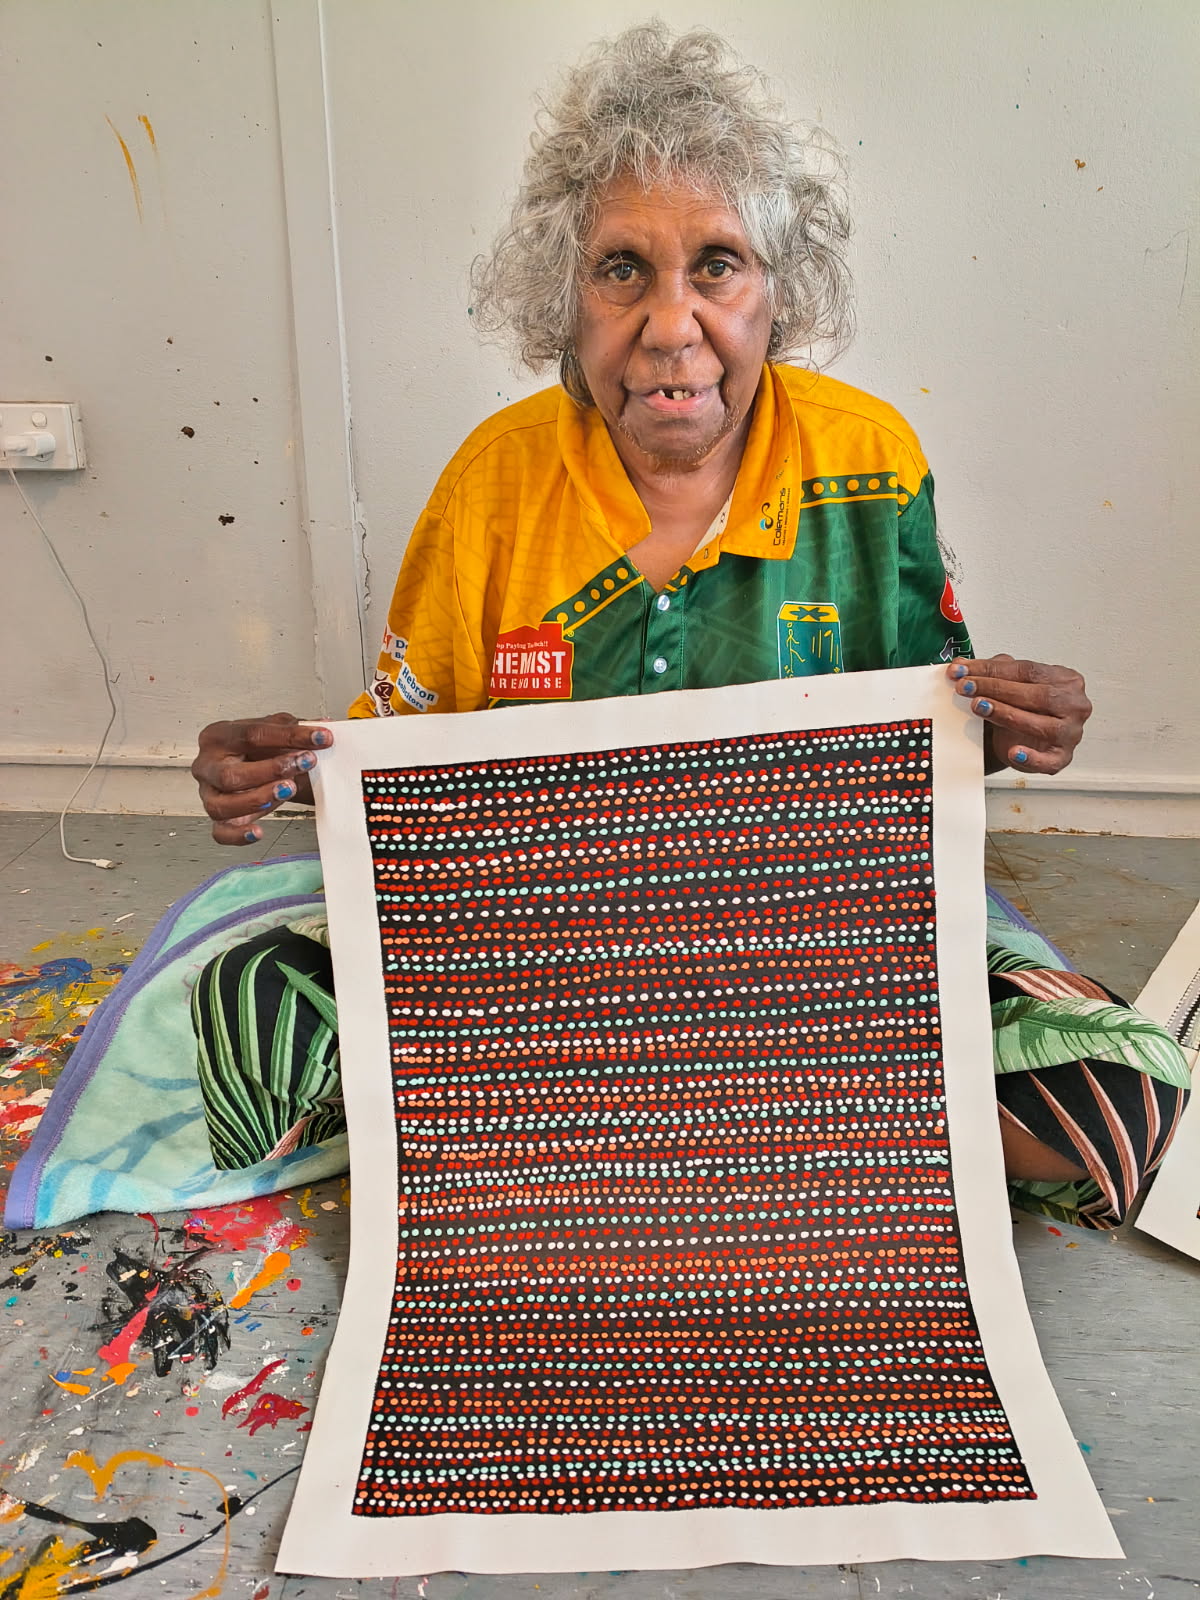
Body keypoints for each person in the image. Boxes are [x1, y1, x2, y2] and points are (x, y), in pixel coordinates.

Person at [190, 24, 1187, 1227]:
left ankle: (618, 1133)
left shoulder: (868, 462)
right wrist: (284, 772)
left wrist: (1019, 725)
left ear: (779, 290)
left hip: (812, 961)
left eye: (716, 263)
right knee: (252, 1026)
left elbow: (926, 743)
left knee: (1130, 1100)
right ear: (565, 297)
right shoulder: (490, 485)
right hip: (547, 963)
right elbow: (397, 761)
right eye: (621, 270)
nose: (670, 326)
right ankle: (765, 1127)